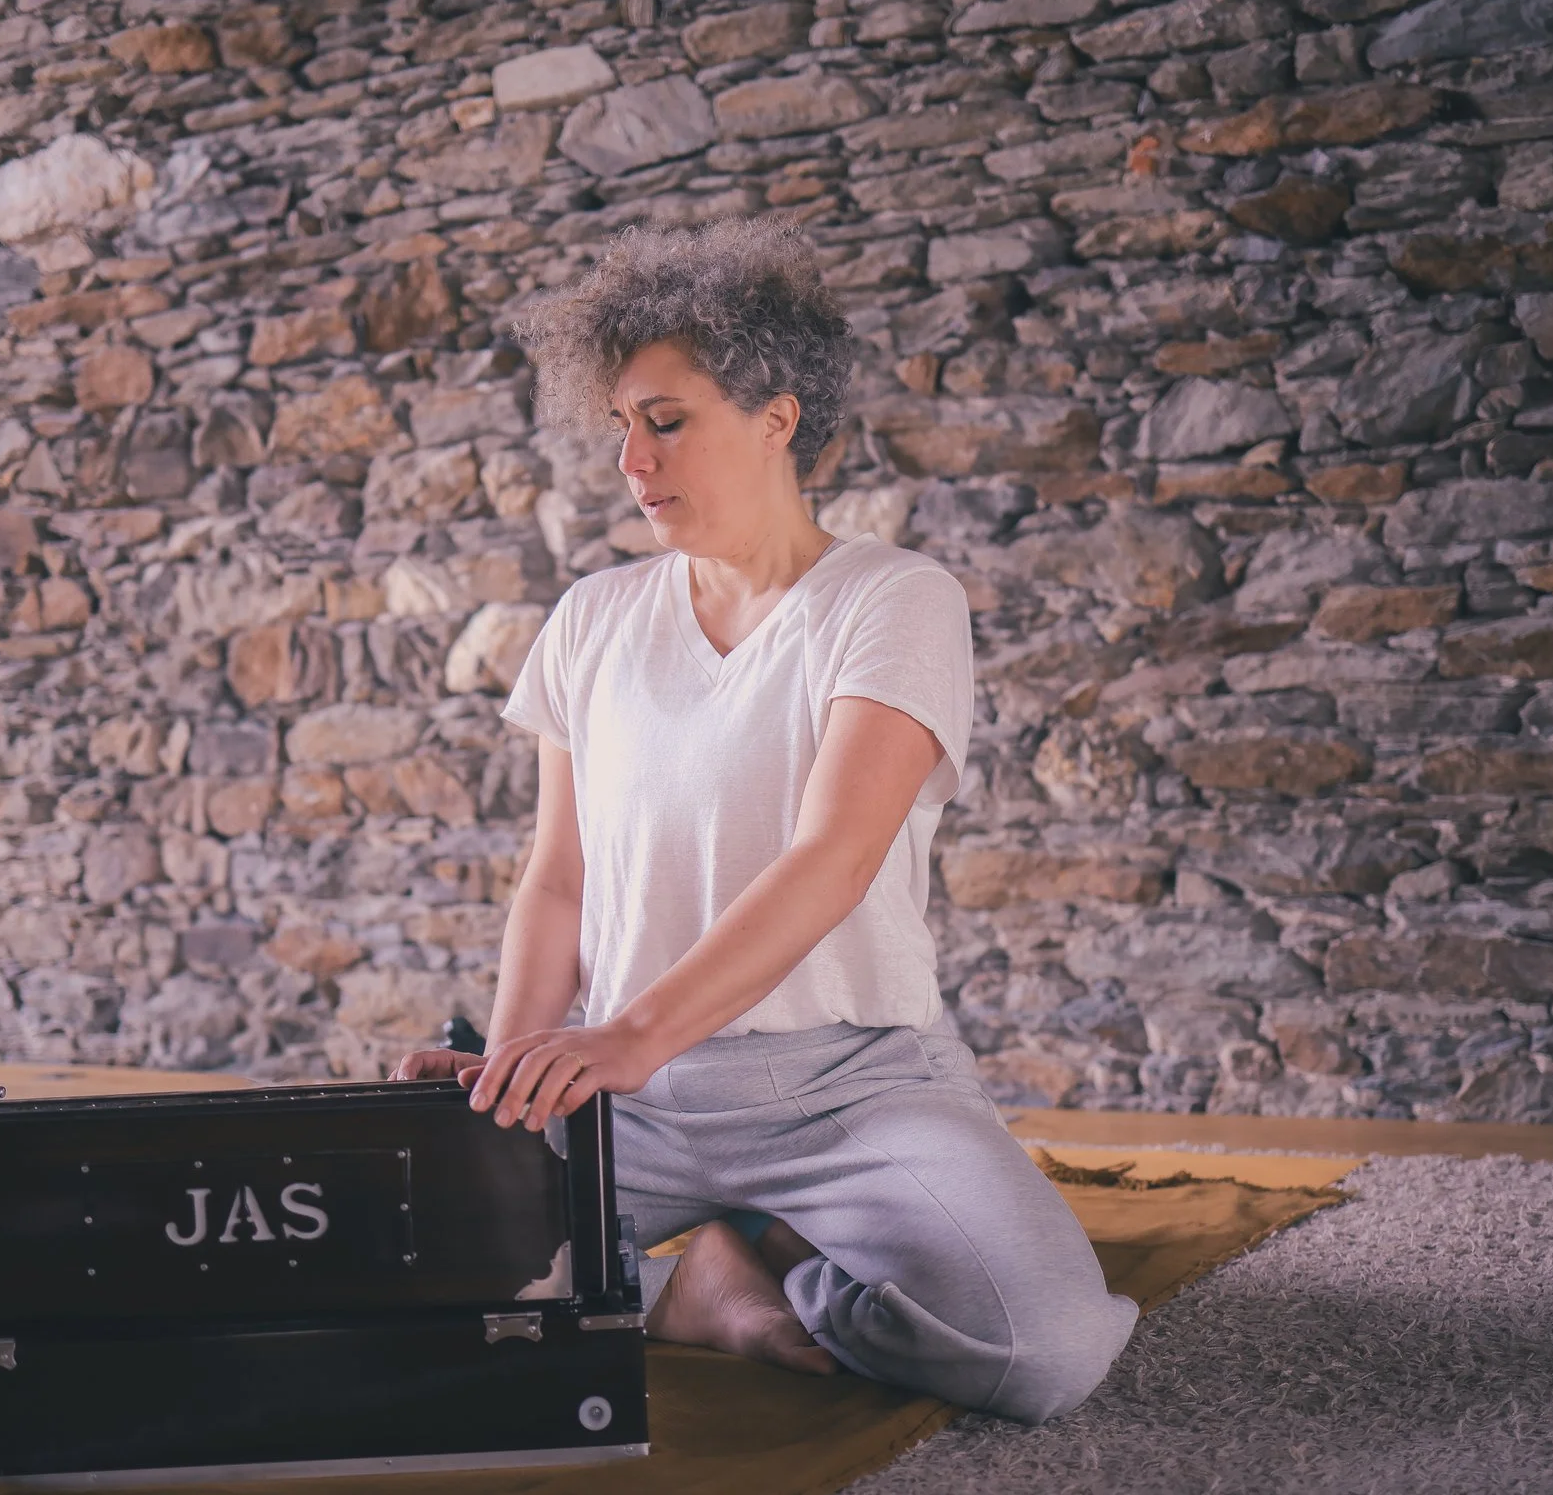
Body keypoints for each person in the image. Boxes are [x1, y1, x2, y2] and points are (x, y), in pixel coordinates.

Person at [392, 217, 1136, 1423]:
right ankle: (699, 1291)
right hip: (623, 1101)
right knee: (372, 1281)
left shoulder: (892, 598)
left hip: (845, 1084)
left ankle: (782, 1267)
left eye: (666, 419)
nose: (633, 459)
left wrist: (631, 1031)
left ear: (777, 417)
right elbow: (558, 882)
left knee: (1042, 1351)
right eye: (619, 425)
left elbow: (831, 859)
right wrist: (517, 1077)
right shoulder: (590, 616)